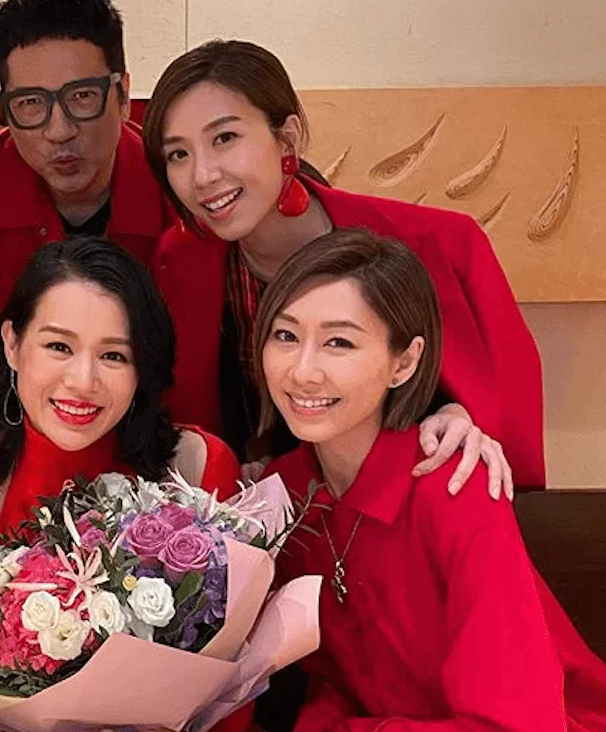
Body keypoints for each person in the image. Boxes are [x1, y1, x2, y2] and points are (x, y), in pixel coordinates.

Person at [257, 228, 606, 732]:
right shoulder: (285, 493)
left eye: (339, 343)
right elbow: (335, 680)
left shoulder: (453, 485)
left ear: (404, 362)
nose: (302, 371)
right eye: (285, 335)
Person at [142, 39, 545, 492]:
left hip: (405, 501)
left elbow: (502, 408)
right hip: (262, 513)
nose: (202, 176)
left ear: (287, 137)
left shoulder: (441, 244)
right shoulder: (178, 260)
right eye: (178, 154)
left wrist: (458, 415)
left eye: (225, 138)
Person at [0, 238, 247, 732]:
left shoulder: (200, 466)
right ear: (13, 344)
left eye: (114, 355)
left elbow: (241, 656)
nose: (83, 381)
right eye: (59, 347)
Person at [0, 0, 174, 427]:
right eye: (31, 103)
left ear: (122, 95)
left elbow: (189, 369)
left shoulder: (174, 184)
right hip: (8, 434)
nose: (59, 130)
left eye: (82, 96)